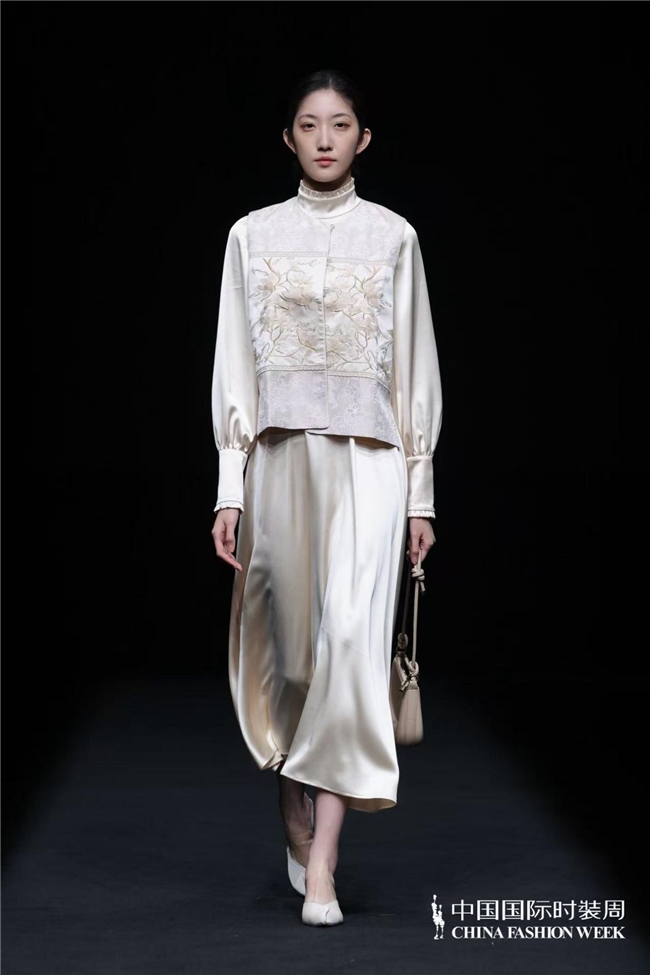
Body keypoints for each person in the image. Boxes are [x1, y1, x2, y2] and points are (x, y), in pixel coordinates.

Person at [210, 68, 443, 926]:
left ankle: (323, 867)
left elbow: (414, 365)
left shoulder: (394, 237)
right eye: (309, 124)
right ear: (288, 137)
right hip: (278, 460)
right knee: (293, 659)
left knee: (350, 647)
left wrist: (419, 495)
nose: (324, 139)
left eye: (339, 124)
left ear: (363, 138)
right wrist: (228, 485)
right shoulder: (251, 235)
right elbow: (235, 364)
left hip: (371, 465)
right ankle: (291, 796)